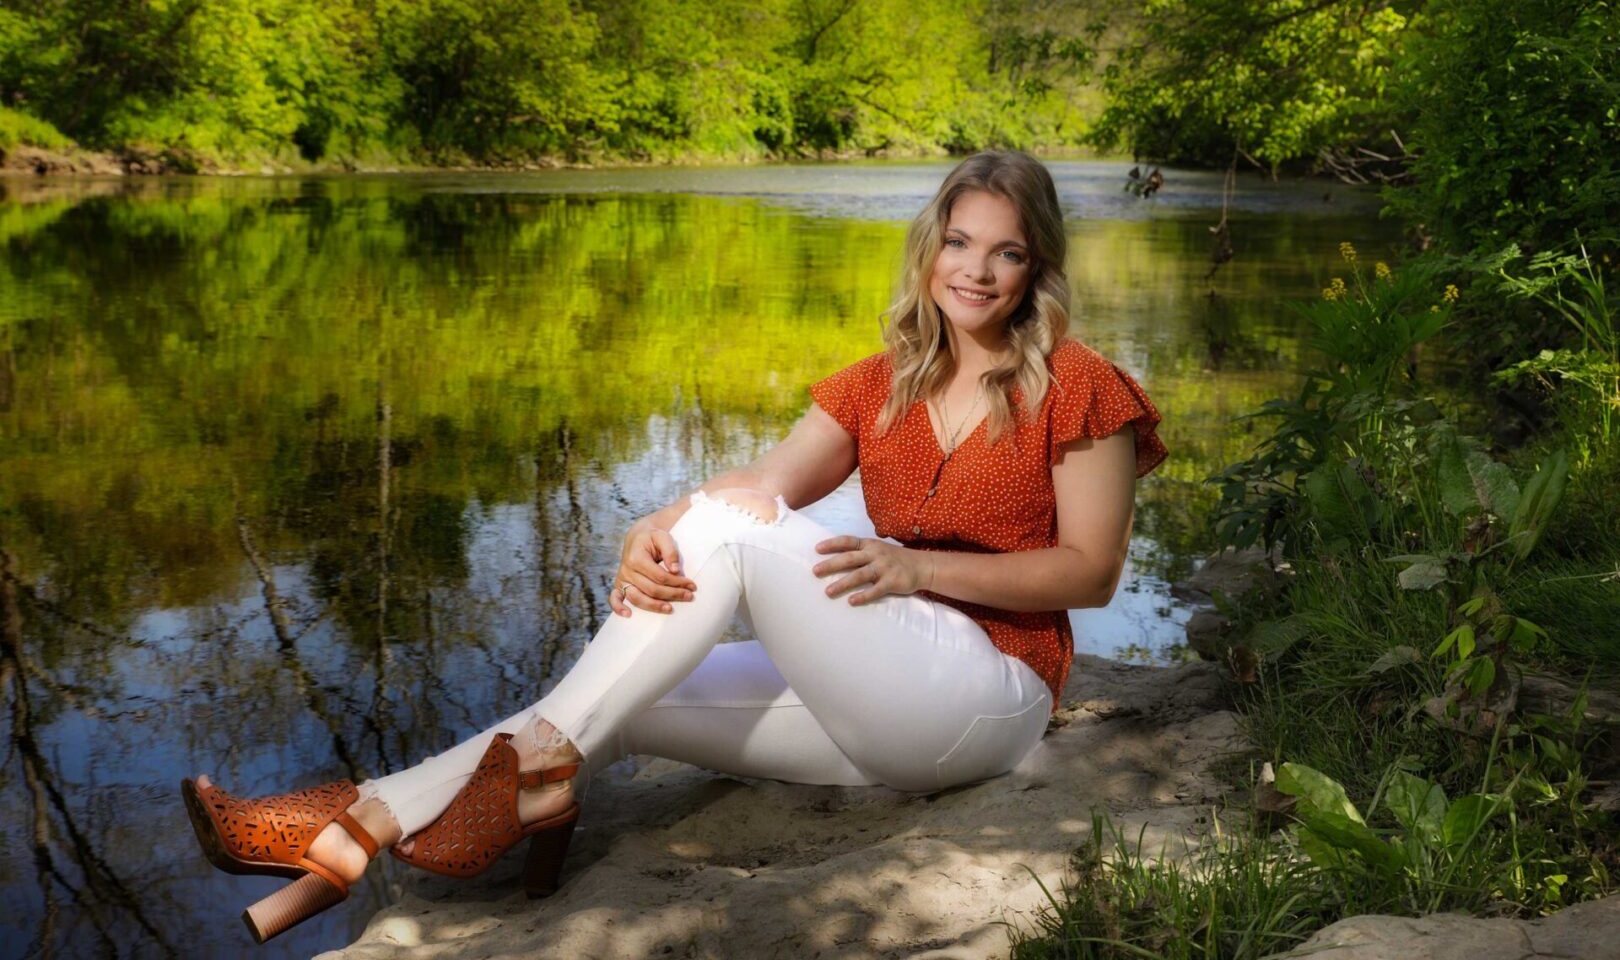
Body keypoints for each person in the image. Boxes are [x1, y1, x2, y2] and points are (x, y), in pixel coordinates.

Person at [180, 149, 1170, 943]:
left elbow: (1092, 571)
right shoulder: (880, 383)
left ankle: (378, 825)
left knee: (713, 553)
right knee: (617, 702)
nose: (977, 270)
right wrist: (655, 524)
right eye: (960, 242)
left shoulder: (1078, 386)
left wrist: (915, 567)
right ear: (929, 250)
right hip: (881, 704)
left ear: (1037, 262)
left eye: (1005, 252)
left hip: (992, 695)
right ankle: (350, 831)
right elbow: (758, 489)